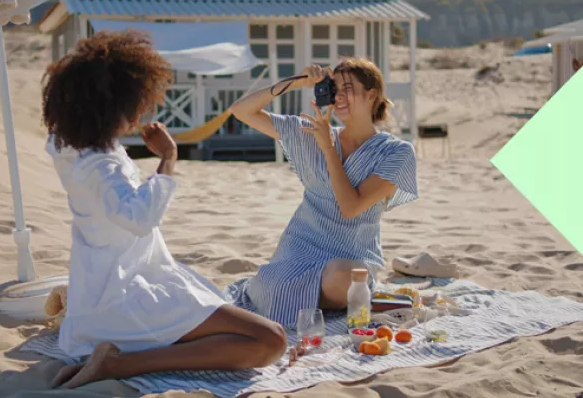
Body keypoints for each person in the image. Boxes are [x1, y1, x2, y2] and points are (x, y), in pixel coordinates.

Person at [42, 30, 286, 389]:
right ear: (110, 106)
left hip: (109, 285)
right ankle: (121, 365)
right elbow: (140, 218)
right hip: (127, 295)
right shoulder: (99, 165)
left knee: (252, 329)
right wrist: (169, 158)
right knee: (272, 340)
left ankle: (122, 357)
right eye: (137, 102)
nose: (143, 110)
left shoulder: (71, 147)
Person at [225, 59, 419, 327]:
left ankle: (341, 297)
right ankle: (347, 301)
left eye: (348, 88)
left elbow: (350, 207)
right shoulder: (311, 133)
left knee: (345, 276)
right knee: (272, 286)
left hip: (351, 255)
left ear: (372, 94)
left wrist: (328, 148)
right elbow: (241, 111)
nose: (338, 96)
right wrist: (296, 82)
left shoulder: (396, 152)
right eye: (334, 88)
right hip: (300, 249)